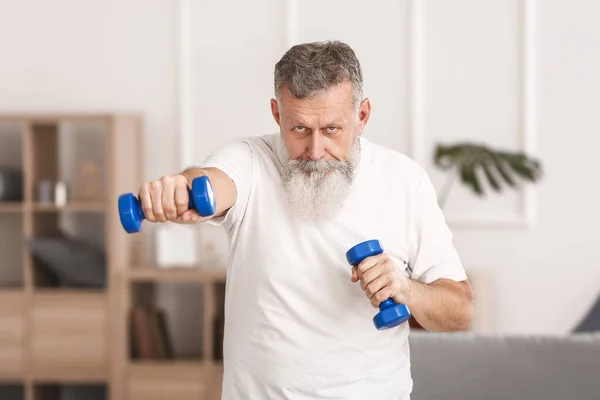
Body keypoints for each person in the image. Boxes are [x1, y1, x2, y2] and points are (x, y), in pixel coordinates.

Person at [138, 40, 473, 400]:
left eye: (331, 129)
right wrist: (180, 189)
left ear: (362, 116)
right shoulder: (250, 160)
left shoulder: (404, 180)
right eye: (299, 129)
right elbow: (212, 182)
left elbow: (460, 310)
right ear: (277, 114)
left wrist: (407, 289)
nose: (315, 151)